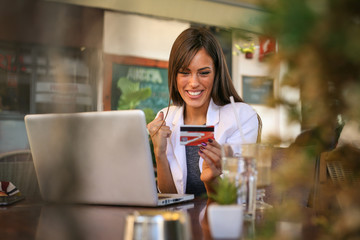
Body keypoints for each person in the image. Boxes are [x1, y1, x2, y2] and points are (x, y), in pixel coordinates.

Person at [147, 27, 259, 196]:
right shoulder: (166, 118)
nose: (193, 83)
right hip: (182, 221)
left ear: (217, 73)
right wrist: (159, 154)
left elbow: (239, 198)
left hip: (222, 220)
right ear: (174, 76)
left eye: (204, 73)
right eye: (185, 72)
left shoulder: (241, 116)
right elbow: (170, 199)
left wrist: (211, 179)